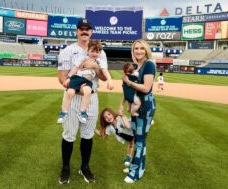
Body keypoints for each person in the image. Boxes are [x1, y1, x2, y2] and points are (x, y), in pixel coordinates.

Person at [57, 18, 108, 184]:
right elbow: (62, 77)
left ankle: (84, 167)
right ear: (77, 31)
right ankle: (65, 168)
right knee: (69, 135)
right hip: (73, 97)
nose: (84, 31)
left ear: (91, 31)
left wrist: (95, 67)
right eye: (81, 29)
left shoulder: (100, 52)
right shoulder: (67, 51)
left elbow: (102, 76)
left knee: (87, 135)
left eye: (87, 29)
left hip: (91, 97)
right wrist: (75, 86)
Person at [119, 39, 156, 183]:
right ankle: (139, 166)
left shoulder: (148, 65)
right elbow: (127, 89)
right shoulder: (137, 66)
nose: (139, 51)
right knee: (139, 139)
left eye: (141, 48)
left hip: (145, 105)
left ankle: (135, 172)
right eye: (136, 49)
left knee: (139, 140)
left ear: (146, 50)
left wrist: (129, 82)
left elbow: (146, 88)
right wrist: (121, 104)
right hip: (137, 105)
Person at [58, 40, 113, 124]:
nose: (94, 53)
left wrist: (110, 80)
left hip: (87, 80)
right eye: (92, 51)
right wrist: (69, 78)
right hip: (76, 78)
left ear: (100, 52)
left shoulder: (100, 62)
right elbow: (75, 68)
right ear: (88, 51)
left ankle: (82, 112)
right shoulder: (83, 58)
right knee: (70, 92)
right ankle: (63, 112)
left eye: (97, 52)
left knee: (87, 92)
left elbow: (105, 71)